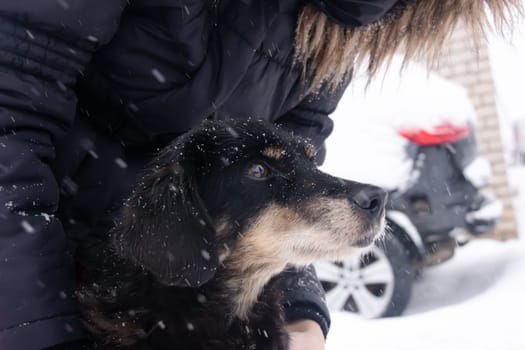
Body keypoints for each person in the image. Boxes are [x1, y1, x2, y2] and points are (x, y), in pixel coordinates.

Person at [0, 0, 518, 349]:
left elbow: (290, 168)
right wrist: (37, 327)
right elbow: (10, 105)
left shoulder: (348, 20)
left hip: (206, 309)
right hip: (61, 285)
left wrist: (298, 306)